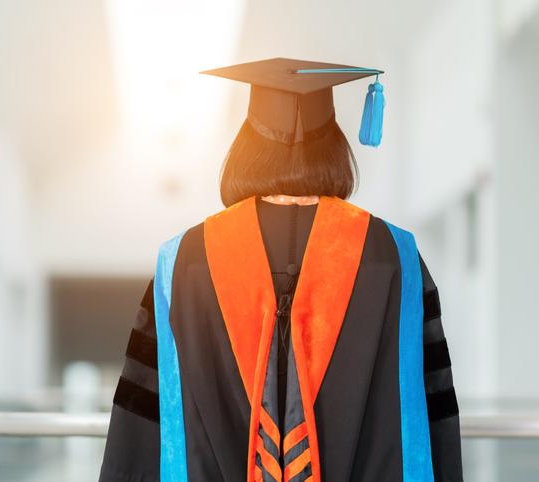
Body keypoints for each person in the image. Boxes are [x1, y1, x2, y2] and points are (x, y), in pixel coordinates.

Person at [99, 58, 463, 482]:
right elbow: (430, 414)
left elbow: (140, 431)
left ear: (246, 146)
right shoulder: (394, 257)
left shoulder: (183, 262)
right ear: (336, 144)